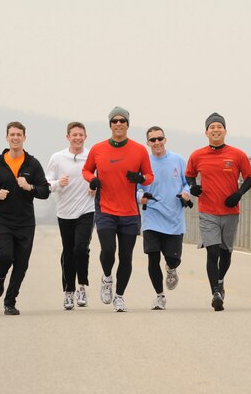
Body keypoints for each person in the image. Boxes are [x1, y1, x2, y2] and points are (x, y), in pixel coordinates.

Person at [82, 106, 153, 312]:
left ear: (128, 124)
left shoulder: (139, 150)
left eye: (122, 120)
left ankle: (120, 296)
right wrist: (93, 179)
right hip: (105, 209)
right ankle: (106, 278)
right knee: (108, 251)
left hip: (130, 212)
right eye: (115, 121)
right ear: (110, 125)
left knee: (126, 256)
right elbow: (86, 170)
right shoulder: (98, 149)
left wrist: (141, 179)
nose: (119, 124)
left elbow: (149, 176)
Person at [186, 112, 251, 311]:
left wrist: (238, 194)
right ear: (206, 132)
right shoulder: (197, 155)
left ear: (225, 130)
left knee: (225, 253)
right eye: (212, 127)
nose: (216, 130)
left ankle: (221, 279)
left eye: (219, 127)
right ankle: (216, 292)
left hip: (230, 211)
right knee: (212, 251)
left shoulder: (237, 154)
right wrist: (194, 187)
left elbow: (250, 177)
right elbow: (190, 175)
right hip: (207, 210)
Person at [0, 121, 51, 315]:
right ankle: (0, 276)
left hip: (25, 221)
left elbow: (45, 191)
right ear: (7, 138)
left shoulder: (32, 164)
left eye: (18, 135)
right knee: (5, 256)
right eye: (12, 135)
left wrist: (30, 187)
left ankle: (10, 301)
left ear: (24, 138)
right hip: (3, 219)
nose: (15, 138)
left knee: (22, 263)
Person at [137, 126, 192, 310]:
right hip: (152, 216)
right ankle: (159, 296)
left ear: (165, 140)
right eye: (153, 140)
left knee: (172, 258)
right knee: (152, 258)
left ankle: (171, 268)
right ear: (148, 143)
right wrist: (140, 197)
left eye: (159, 138)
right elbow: (136, 188)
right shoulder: (143, 163)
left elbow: (188, 183)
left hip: (174, 218)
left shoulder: (178, 159)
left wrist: (186, 193)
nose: (157, 142)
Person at [46, 121, 95, 310]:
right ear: (68, 137)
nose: (77, 138)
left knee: (81, 249)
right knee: (68, 251)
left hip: (86, 210)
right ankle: (69, 291)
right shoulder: (57, 158)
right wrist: (59, 183)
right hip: (65, 212)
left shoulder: (92, 156)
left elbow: (102, 177)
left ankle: (82, 286)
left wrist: (95, 187)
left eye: (81, 135)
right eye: (74, 135)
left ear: (85, 137)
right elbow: (47, 183)